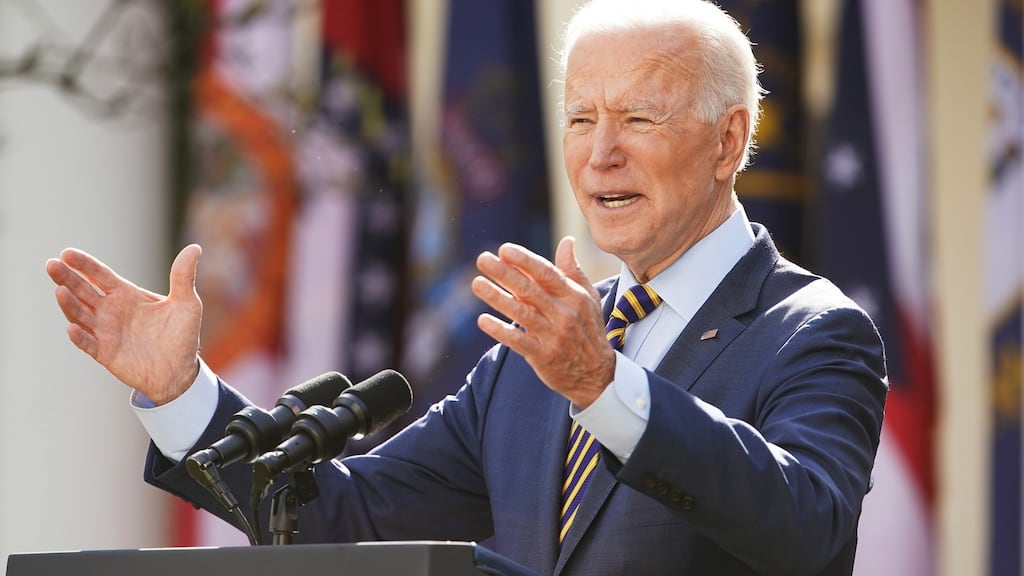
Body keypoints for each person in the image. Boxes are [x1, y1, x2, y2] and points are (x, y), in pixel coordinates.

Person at [45, 0, 887, 574]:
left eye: (638, 118)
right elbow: (344, 517)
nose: (601, 155)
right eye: (581, 119)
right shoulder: (537, 353)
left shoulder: (813, 332)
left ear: (727, 140)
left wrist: (605, 387)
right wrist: (183, 395)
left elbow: (806, 528)